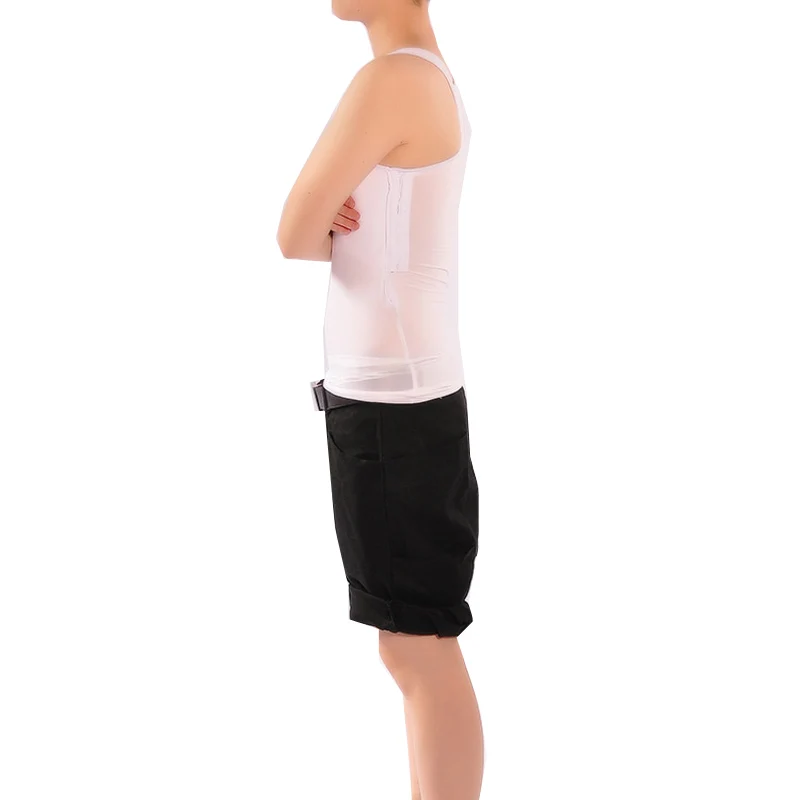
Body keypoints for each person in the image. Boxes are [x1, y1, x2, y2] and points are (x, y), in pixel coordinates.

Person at [276, 2, 483, 798]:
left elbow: (294, 234)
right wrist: (332, 214)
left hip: (394, 409)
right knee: (414, 643)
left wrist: (329, 215)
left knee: (415, 646)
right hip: (404, 399)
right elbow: (314, 229)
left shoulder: (391, 79)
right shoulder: (426, 75)